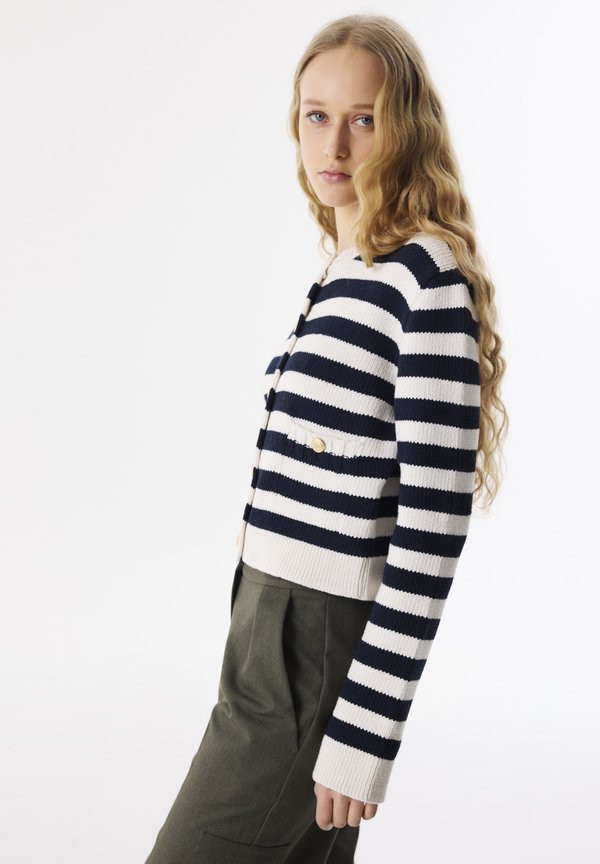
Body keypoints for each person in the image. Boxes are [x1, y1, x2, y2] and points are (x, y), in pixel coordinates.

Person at [144, 13, 507, 864]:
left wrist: (368, 726)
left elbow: (433, 522)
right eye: (317, 115)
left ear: (406, 128)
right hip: (268, 629)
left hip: (311, 651)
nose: (334, 144)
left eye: (363, 119)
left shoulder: (425, 279)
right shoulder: (348, 271)